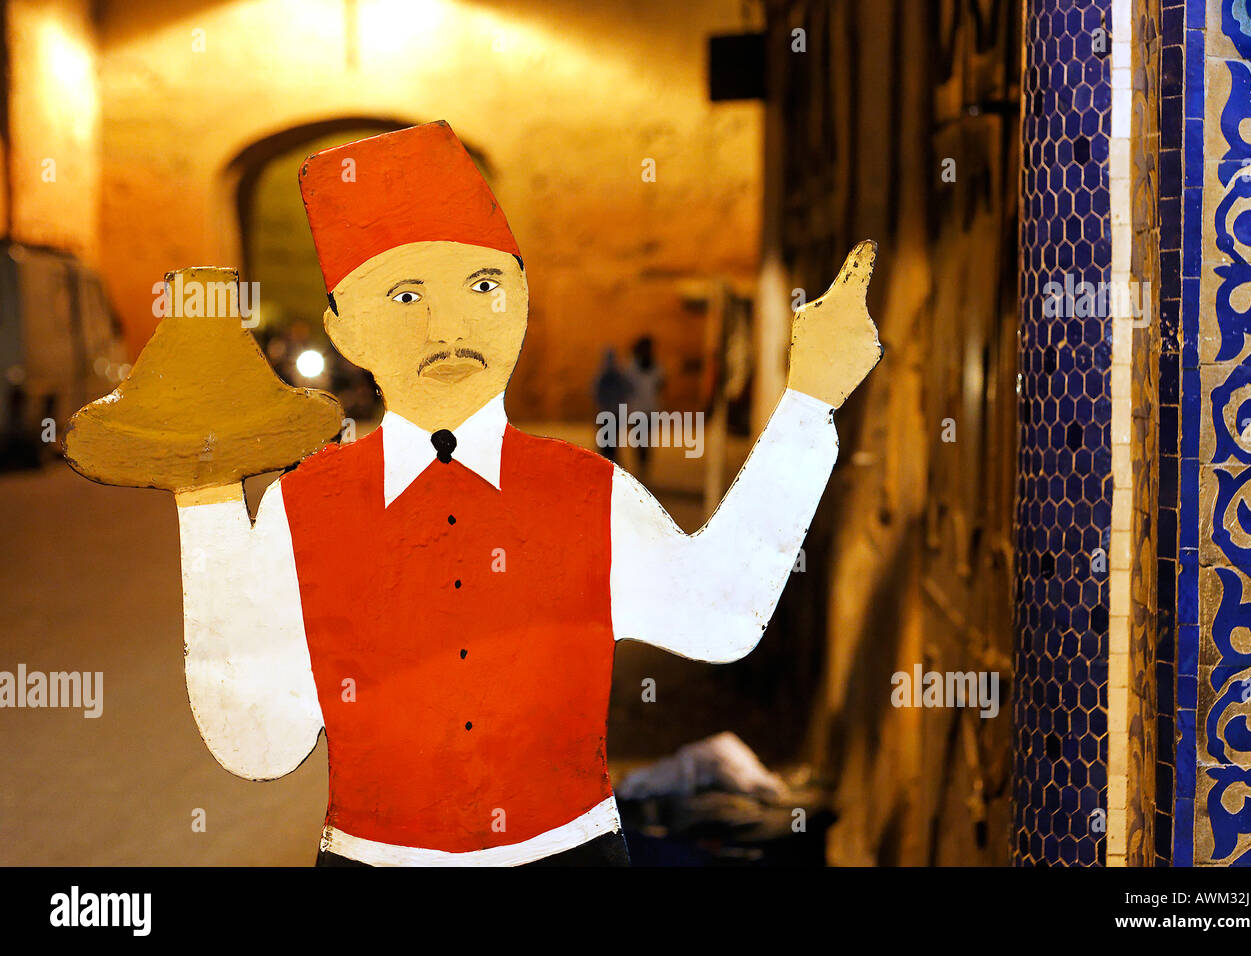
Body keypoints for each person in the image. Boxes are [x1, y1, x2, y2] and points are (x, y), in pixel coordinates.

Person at [171, 121, 882, 866]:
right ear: (344, 330)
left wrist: (810, 401)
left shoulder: (589, 490)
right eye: (406, 296)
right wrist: (206, 502)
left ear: (522, 299)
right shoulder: (305, 505)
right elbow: (258, 740)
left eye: (483, 286)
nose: (450, 327)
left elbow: (719, 619)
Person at [623, 335, 664, 478]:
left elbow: (660, 385)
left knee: (645, 440)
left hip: (649, 410)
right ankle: (641, 468)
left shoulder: (654, 367)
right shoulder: (633, 367)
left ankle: (643, 468)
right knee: (639, 440)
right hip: (637, 410)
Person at [592, 347, 630, 464]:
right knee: (607, 442)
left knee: (610, 442)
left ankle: (609, 464)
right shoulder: (608, 375)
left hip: (610, 413)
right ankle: (607, 463)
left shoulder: (611, 375)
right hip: (609, 413)